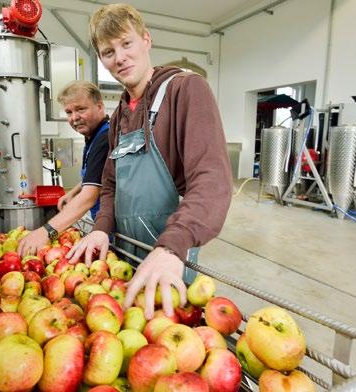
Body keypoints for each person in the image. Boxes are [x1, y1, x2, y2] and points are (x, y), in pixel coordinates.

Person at [68, 4, 233, 320]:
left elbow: (212, 180)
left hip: (171, 255)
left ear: (146, 40)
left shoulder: (185, 89)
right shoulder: (119, 117)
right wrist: (102, 229)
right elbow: (110, 186)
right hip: (125, 254)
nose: (120, 58)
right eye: (108, 52)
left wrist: (172, 246)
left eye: (126, 44)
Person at [18, 81, 110, 257]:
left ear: (99, 106)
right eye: (69, 112)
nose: (74, 117)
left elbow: (89, 197)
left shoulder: (105, 138)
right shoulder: (94, 135)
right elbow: (98, 176)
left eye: (81, 109)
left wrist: (46, 232)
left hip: (112, 228)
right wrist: (73, 192)